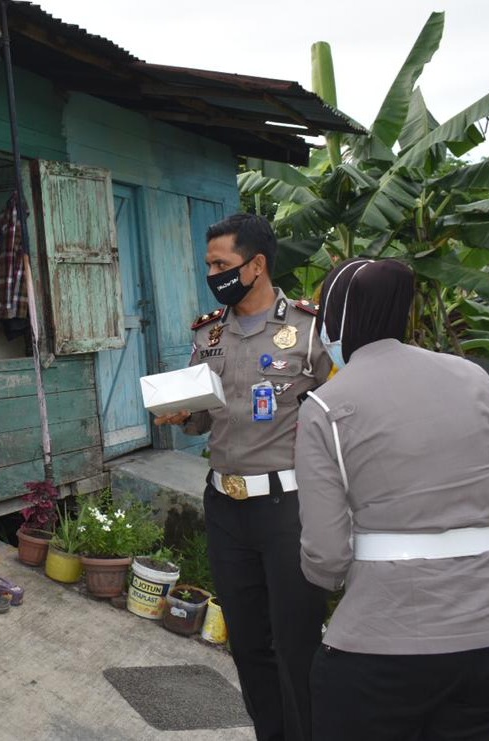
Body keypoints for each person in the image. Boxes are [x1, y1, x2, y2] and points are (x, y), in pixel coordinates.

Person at [295, 258, 489, 740]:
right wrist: (459, 512)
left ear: (337, 320)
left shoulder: (326, 406)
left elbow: (325, 557)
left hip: (382, 644)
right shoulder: (472, 378)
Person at [156, 213, 331, 741]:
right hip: (225, 506)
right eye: (209, 264)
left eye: (221, 264)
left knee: (295, 643)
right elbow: (202, 420)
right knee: (249, 643)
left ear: (256, 265)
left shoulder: (310, 330)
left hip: (289, 510)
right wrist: (182, 415)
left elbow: (347, 411)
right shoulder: (209, 333)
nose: (212, 273)